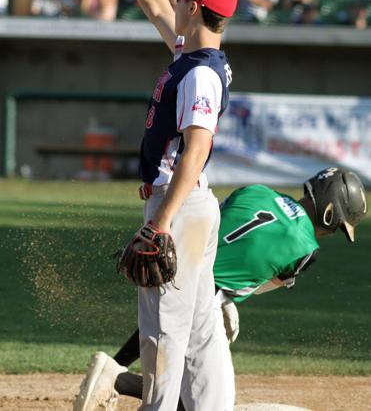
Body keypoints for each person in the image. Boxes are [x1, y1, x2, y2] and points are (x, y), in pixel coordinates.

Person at [74, 0, 239, 411]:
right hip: (193, 207)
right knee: (199, 326)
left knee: (163, 332)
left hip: (180, 207)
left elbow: (197, 148)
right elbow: (151, 6)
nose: (174, 0)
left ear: (193, 5)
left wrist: (162, 223)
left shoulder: (199, 76)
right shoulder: (195, 55)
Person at [73, 166, 368, 410]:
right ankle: (117, 375)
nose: (333, 232)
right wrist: (226, 300)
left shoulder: (258, 191)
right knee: (211, 405)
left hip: (174, 264)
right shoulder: (306, 250)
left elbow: (213, 227)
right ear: (329, 214)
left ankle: (116, 370)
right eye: (339, 226)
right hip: (206, 299)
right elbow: (254, 283)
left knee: (175, 334)